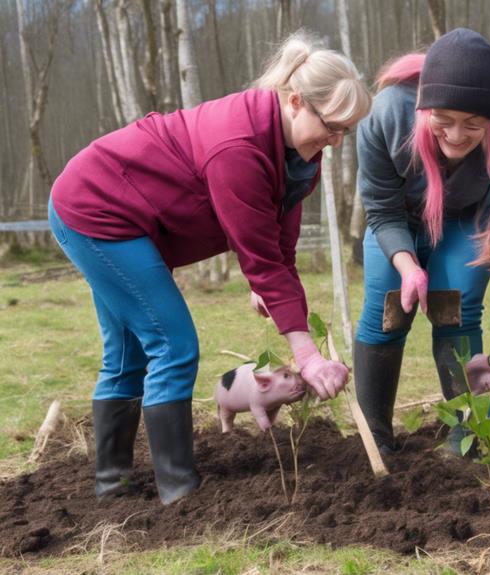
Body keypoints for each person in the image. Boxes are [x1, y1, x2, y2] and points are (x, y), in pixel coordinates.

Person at [47, 31, 370, 504]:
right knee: (172, 344)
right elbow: (259, 255)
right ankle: (179, 493)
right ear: (297, 102)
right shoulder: (238, 147)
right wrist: (308, 358)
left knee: (127, 355)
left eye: (347, 130)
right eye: (333, 126)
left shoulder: (300, 153)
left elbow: (278, 240)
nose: (338, 141)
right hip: (98, 212)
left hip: (124, 220)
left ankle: (111, 485)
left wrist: (269, 286)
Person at [353, 28, 490, 452]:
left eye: (472, 126)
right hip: (399, 220)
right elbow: (381, 209)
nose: (456, 136)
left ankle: (468, 435)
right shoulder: (386, 114)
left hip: (467, 220)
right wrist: (407, 267)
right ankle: (377, 439)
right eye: (444, 123)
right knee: (387, 311)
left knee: (453, 307)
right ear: (425, 110)